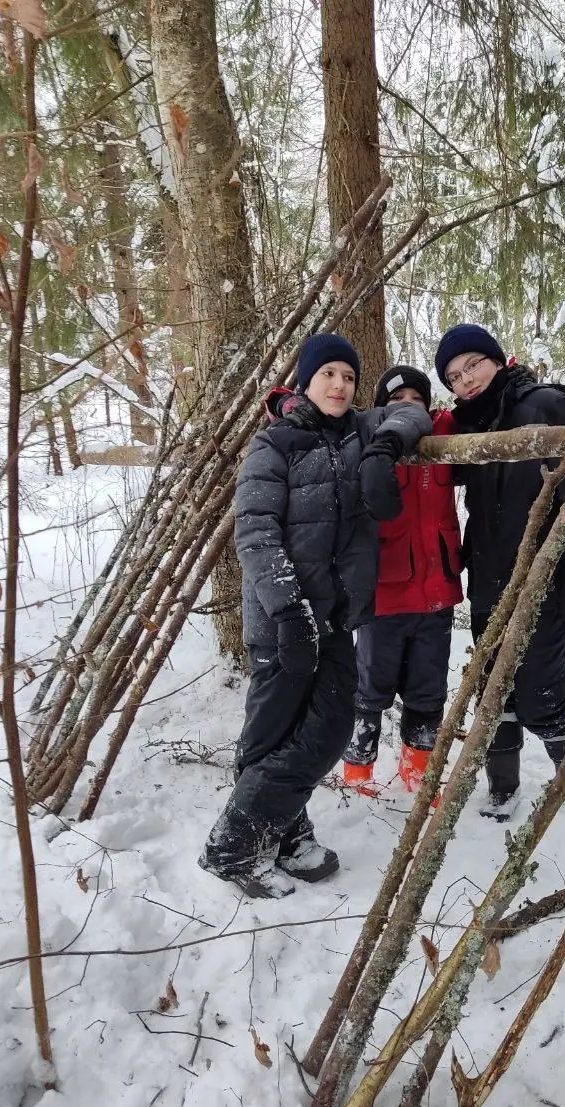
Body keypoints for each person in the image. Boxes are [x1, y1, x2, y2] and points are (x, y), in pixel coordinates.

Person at [200, 333, 433, 898]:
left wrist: (383, 449)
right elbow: (255, 533)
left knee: (325, 729)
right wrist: (289, 611)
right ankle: (238, 848)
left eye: (349, 377)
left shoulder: (358, 431)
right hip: (282, 621)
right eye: (328, 374)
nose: (339, 385)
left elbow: (413, 413)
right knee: (272, 734)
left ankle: (277, 831)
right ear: (305, 381)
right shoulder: (273, 444)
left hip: (334, 619)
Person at [434, 323, 565, 820]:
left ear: (498, 359)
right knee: (495, 690)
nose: (465, 379)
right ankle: (502, 788)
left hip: (546, 585)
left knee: (540, 692)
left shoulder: (547, 407)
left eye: (473, 365)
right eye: (453, 375)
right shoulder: (472, 424)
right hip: (488, 583)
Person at [342, 365, 463, 794]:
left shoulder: (442, 431)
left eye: (417, 398)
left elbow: (478, 410)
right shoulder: (365, 435)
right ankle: (357, 776)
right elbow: (308, 408)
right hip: (385, 595)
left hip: (437, 592)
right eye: (397, 399)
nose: (408, 406)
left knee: (428, 691)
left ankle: (419, 773)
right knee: (370, 689)